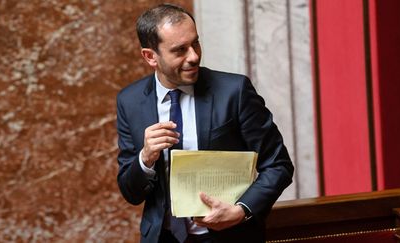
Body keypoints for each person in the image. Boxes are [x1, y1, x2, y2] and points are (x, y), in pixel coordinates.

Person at [116, 3, 294, 243]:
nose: (194, 56)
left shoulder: (234, 91)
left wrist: (241, 210)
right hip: (163, 238)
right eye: (180, 50)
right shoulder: (130, 101)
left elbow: (278, 164)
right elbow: (131, 192)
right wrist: (145, 158)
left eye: (195, 43)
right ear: (150, 56)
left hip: (230, 237)